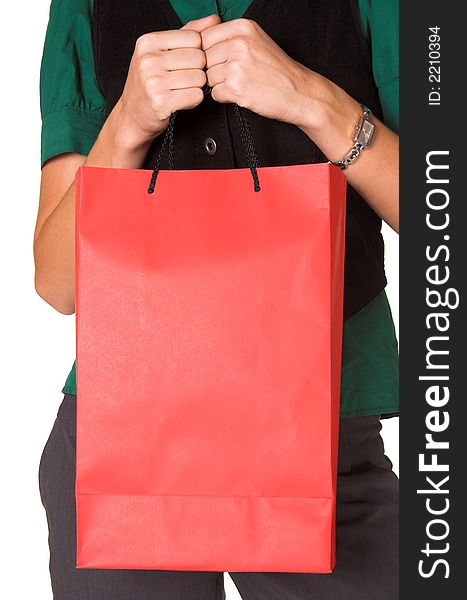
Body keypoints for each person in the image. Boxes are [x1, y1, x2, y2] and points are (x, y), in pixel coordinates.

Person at [35, 1, 399, 599]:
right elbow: (58, 284)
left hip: (329, 453)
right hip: (125, 451)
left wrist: (314, 101)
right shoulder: (83, 6)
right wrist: (128, 122)